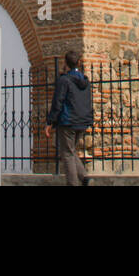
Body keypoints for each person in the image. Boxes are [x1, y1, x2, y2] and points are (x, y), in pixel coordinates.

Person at [45, 50, 93, 186]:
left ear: (65, 63)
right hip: (82, 122)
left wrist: (50, 122)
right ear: (78, 63)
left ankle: (73, 183)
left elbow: (57, 102)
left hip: (68, 122)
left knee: (67, 153)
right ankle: (84, 178)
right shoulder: (85, 81)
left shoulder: (64, 80)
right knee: (70, 151)